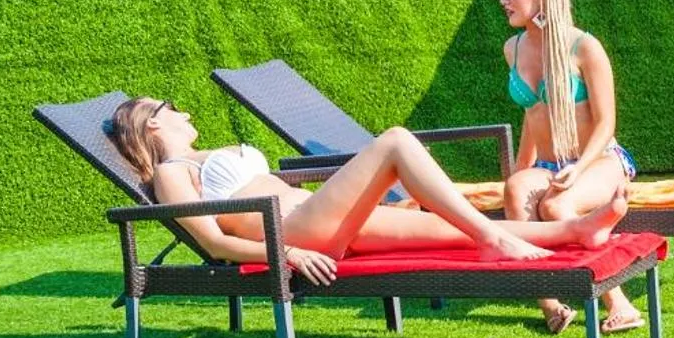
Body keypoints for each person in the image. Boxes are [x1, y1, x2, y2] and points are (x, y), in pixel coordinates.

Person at [106, 97, 626, 285]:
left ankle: (575, 229)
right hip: (297, 231)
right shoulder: (172, 172)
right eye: (168, 105)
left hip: (315, 217)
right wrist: (286, 253)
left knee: (445, 230)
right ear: (152, 126)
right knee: (396, 142)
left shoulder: (196, 158)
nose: (182, 110)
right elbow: (216, 244)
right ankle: (496, 237)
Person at [498, 0, 643, 336]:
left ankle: (620, 303)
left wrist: (579, 168)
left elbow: (606, 122)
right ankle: (550, 302)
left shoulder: (583, 47)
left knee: (556, 207)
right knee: (514, 191)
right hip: (548, 163)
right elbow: (533, 114)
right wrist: (521, 172)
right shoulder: (512, 48)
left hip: (598, 160)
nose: (504, 0)